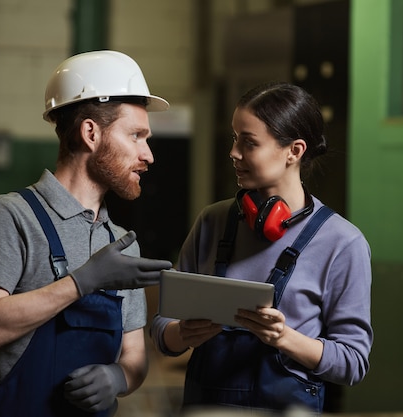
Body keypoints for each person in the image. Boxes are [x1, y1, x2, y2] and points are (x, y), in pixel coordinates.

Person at [0, 50, 173, 417]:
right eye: (136, 136)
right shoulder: (10, 216)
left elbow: (134, 356)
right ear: (90, 133)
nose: (148, 155)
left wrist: (118, 377)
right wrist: (82, 282)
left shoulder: (120, 244)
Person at [151, 82, 373, 414]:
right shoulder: (212, 222)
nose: (234, 153)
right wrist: (181, 334)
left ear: (294, 151)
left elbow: (352, 363)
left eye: (249, 142)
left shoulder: (343, 243)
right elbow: (161, 329)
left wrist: (284, 338)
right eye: (234, 138)